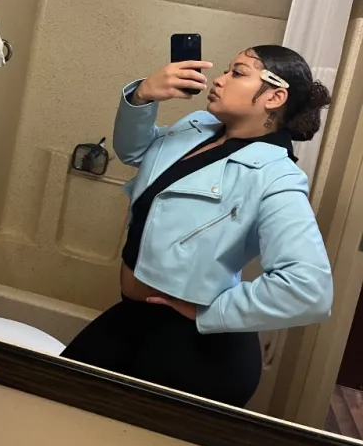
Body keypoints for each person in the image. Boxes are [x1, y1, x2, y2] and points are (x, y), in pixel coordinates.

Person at [62, 45, 333, 408]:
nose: (219, 79)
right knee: (57, 395)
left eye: (238, 73)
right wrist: (142, 97)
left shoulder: (276, 177)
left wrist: (210, 311)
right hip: (136, 316)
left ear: (274, 96)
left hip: (197, 349)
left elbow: (309, 288)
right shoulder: (197, 127)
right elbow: (134, 152)